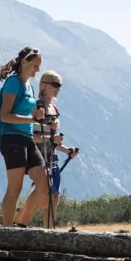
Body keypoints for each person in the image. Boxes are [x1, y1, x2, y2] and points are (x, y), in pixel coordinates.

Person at [0, 46, 49, 226]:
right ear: (24, 62)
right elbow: (5, 115)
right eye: (35, 65)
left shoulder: (29, 86)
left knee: (43, 183)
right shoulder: (13, 83)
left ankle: (20, 223)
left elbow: (28, 119)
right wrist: (32, 119)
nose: (38, 70)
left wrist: (40, 123)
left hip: (27, 138)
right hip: (11, 139)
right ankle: (7, 232)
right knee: (15, 189)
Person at [17, 70, 78, 229]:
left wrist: (67, 151)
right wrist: (51, 138)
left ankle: (49, 229)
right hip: (38, 158)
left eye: (60, 85)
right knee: (42, 193)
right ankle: (20, 223)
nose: (58, 88)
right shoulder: (37, 107)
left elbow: (53, 138)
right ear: (44, 85)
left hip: (52, 158)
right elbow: (30, 136)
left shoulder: (54, 109)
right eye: (55, 84)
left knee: (54, 196)